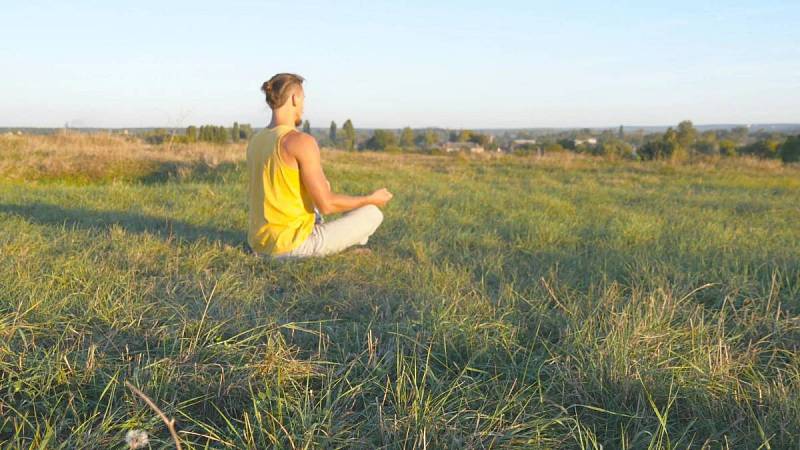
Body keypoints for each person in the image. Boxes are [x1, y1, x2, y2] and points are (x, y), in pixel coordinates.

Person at [246, 73, 393, 259]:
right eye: (303, 100)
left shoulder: (256, 140)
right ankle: (336, 250)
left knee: (324, 188)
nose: (303, 108)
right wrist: (371, 199)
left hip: (259, 244)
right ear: (294, 98)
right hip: (291, 248)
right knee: (372, 214)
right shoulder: (300, 141)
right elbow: (327, 205)